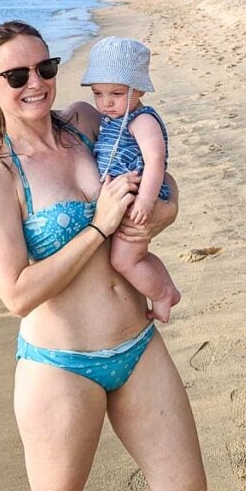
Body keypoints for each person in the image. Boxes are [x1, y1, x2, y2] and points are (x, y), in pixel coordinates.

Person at [0, 21, 206, 491]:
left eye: (45, 68)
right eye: (17, 75)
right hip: (61, 364)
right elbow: (18, 294)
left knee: (182, 489)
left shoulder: (84, 121)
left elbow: (161, 173)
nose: (36, 84)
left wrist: (159, 210)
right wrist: (99, 226)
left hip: (136, 344)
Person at [81, 37, 181, 323]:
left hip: (141, 196)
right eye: (98, 94)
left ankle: (161, 295)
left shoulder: (142, 120)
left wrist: (147, 201)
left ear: (137, 89)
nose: (105, 102)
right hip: (130, 197)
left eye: (115, 93)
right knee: (138, 254)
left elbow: (155, 162)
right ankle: (168, 288)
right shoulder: (113, 119)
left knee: (124, 260)